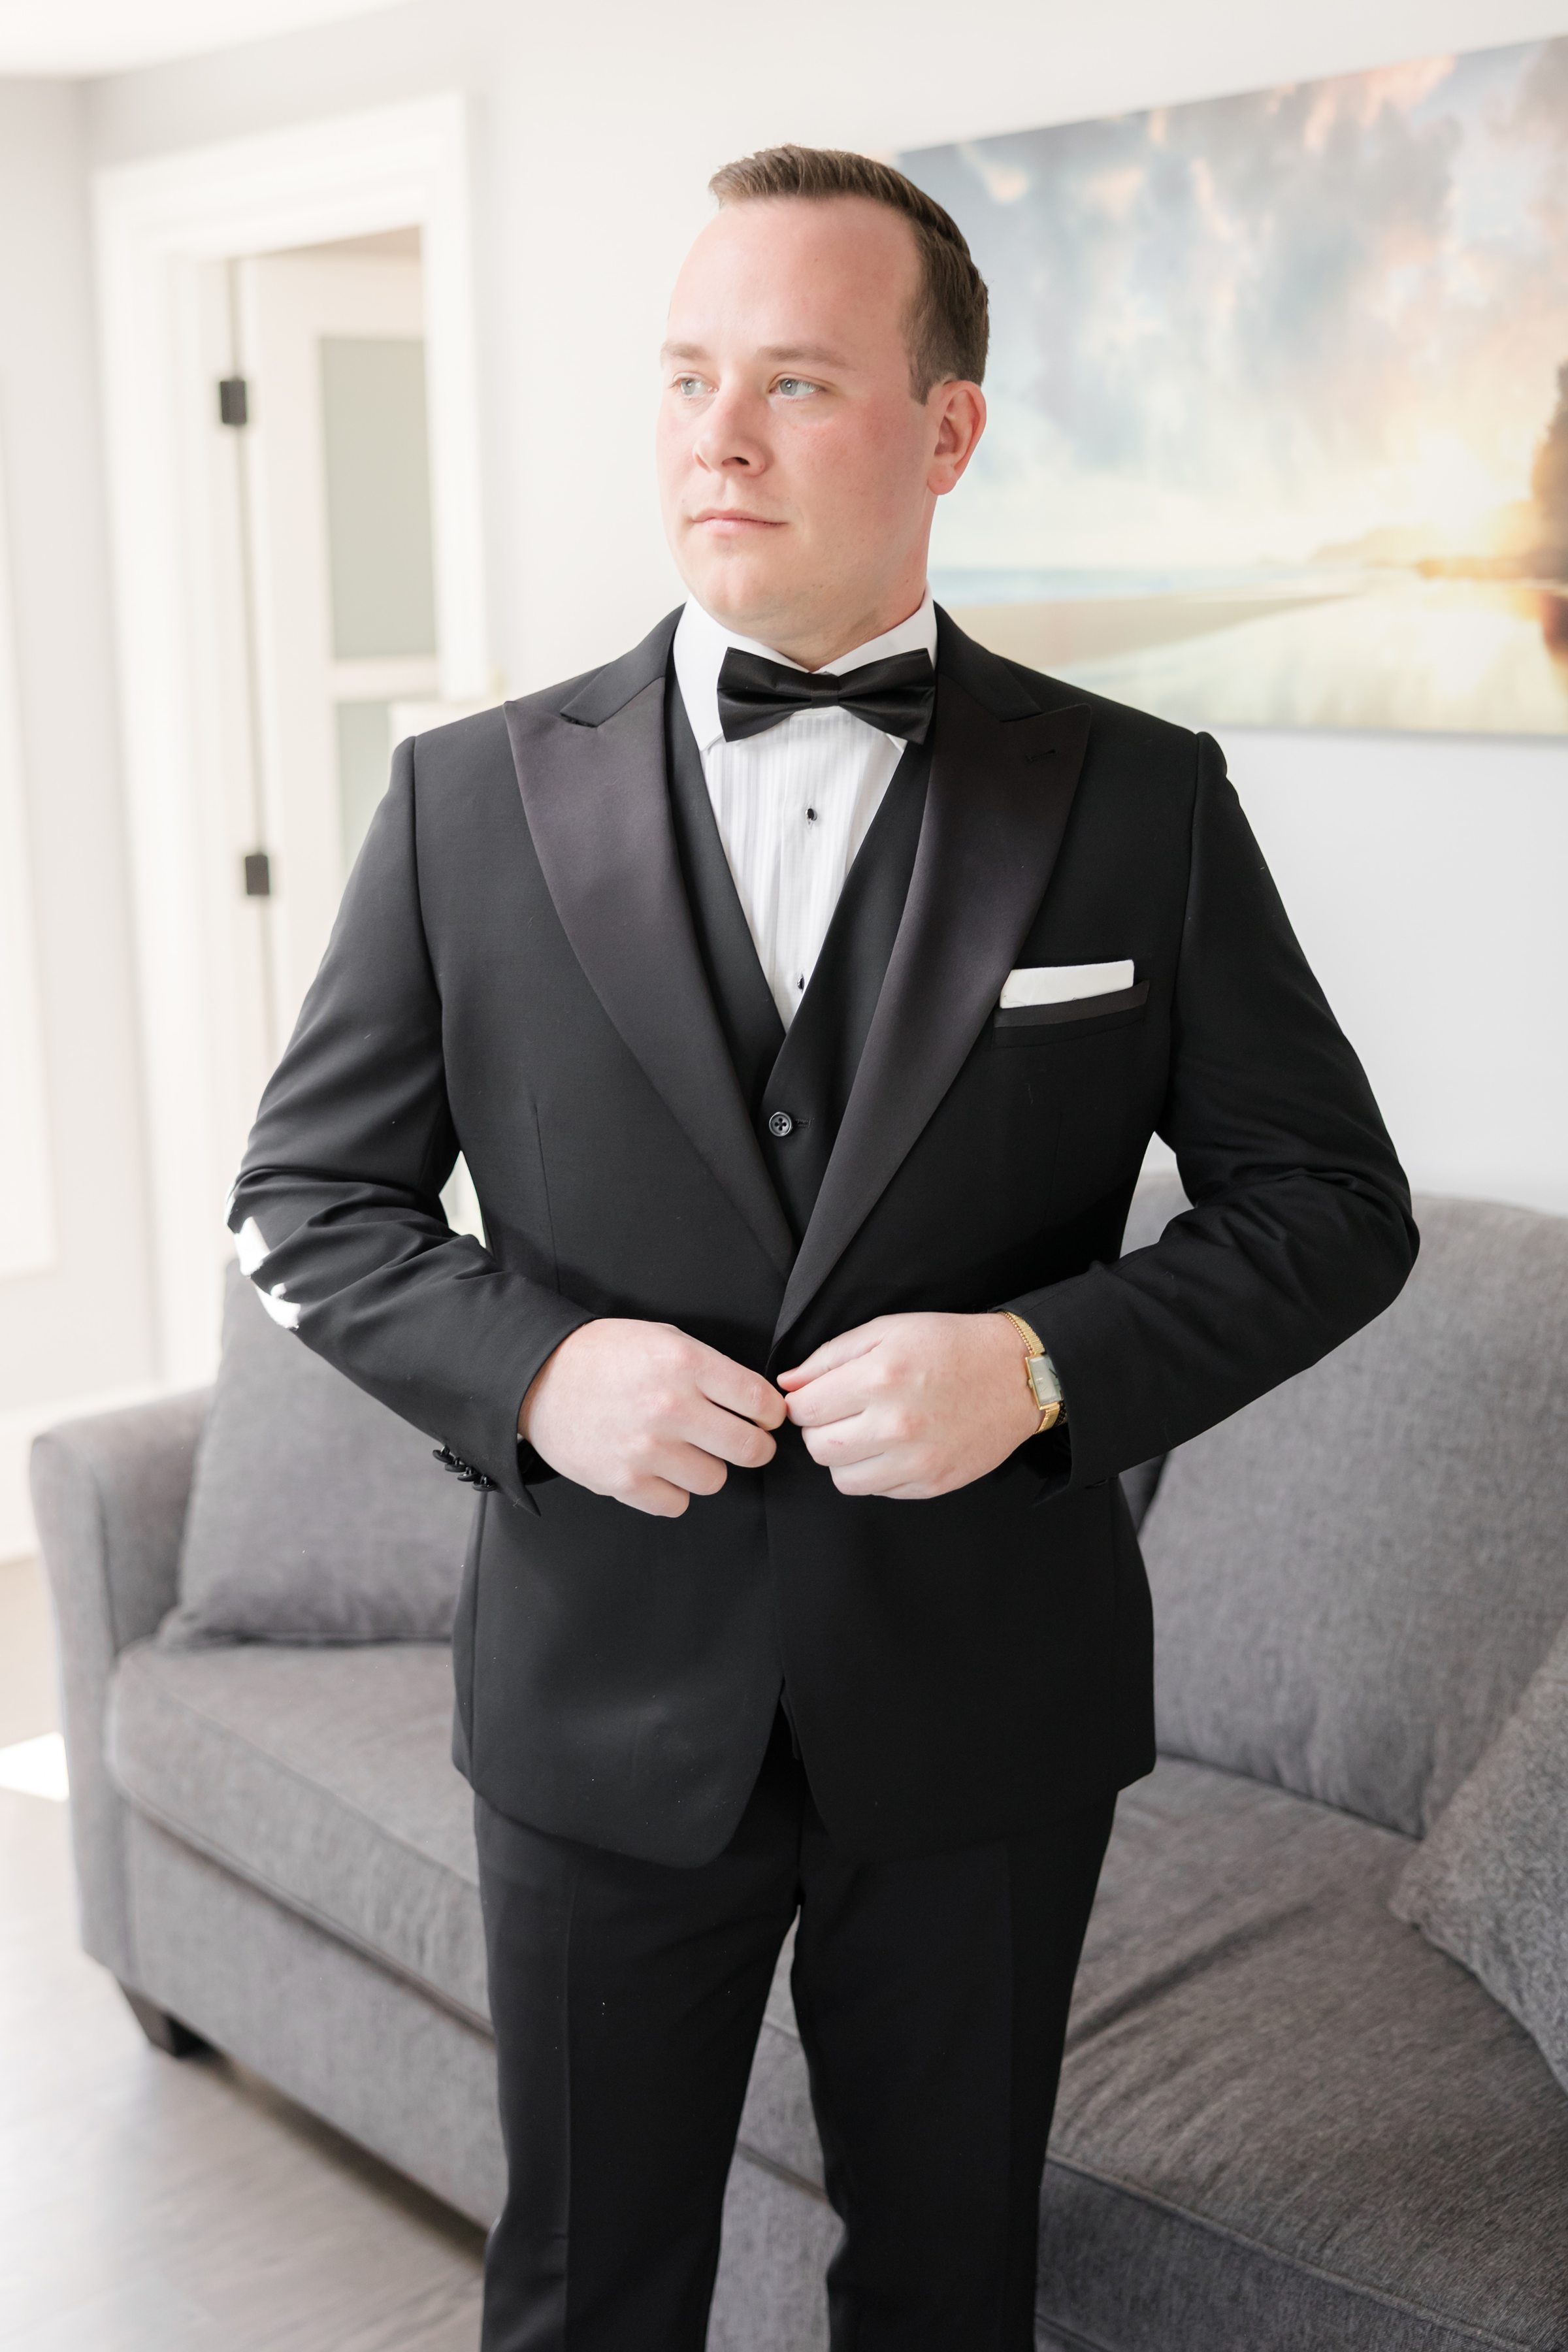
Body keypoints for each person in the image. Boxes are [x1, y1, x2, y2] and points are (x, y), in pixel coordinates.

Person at [228, 144, 1416, 2352]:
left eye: (791, 380)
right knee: (587, 2294)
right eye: (688, 377)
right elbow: (305, 1204)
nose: (718, 436)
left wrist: (1045, 1368)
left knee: (951, 2292)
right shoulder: (464, 800)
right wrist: (539, 1375)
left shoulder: (1138, 803)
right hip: (598, 1708)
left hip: (986, 1715)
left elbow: (1336, 1209)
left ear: (946, 430)